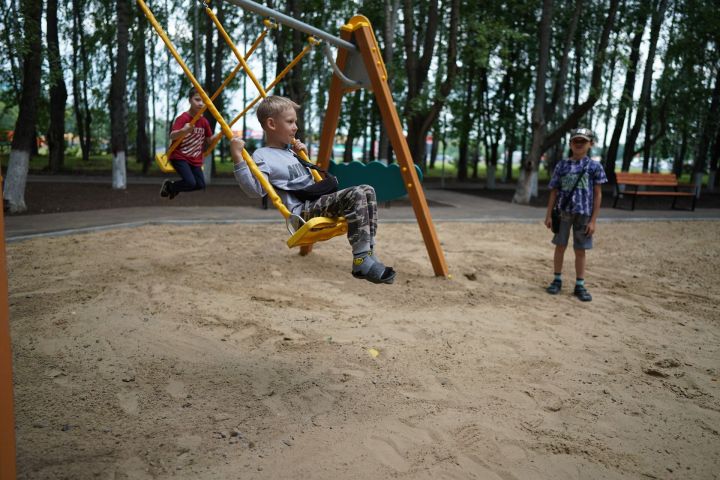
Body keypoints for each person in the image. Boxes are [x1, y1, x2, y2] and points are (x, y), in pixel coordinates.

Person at [230, 95, 396, 284]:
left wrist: (305, 158)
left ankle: (368, 252)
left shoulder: (291, 152)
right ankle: (360, 259)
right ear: (271, 124)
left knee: (367, 190)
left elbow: (308, 182)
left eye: (295, 122)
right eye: (290, 122)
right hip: (304, 213)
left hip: (316, 202)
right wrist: (238, 158)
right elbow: (255, 191)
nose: (295, 127)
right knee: (356, 193)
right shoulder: (262, 155)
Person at [544, 128, 607, 301]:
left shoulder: (594, 166)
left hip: (584, 214)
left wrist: (593, 221)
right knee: (560, 246)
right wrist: (549, 214)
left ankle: (580, 284)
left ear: (590, 144)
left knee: (580, 249)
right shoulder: (562, 165)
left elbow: (598, 194)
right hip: (563, 213)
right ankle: (557, 280)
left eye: (583, 141)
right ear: (570, 144)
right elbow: (554, 191)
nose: (579, 144)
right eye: (575, 141)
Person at [160, 88, 213, 199]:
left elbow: (210, 140)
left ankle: (172, 187)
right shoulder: (183, 118)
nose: (201, 103)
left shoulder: (204, 122)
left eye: (204, 101)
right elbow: (172, 135)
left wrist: (222, 133)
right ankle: (171, 186)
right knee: (190, 182)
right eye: (197, 100)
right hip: (180, 156)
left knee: (200, 185)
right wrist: (183, 131)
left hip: (195, 159)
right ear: (189, 100)